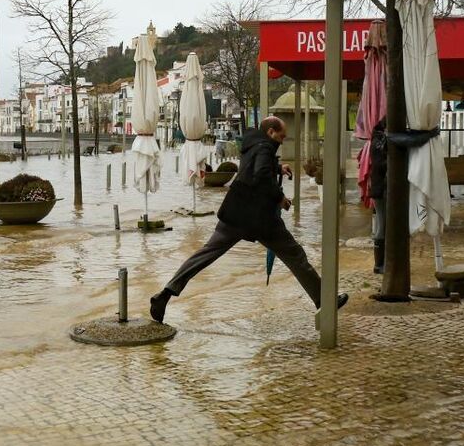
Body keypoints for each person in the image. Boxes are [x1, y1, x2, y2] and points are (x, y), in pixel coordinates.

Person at [149, 116, 348, 323]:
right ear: (271, 132)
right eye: (281, 136)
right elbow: (260, 174)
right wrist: (280, 198)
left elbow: (251, 169)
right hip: (260, 218)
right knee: (295, 255)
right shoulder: (265, 148)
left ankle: (165, 294)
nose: (282, 141)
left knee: (205, 255)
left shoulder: (252, 143)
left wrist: (277, 169)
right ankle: (324, 301)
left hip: (235, 211)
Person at [369, 117, 387, 274]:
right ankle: (379, 264)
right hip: (380, 189)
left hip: (379, 188)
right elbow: (381, 164)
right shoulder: (378, 141)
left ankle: (382, 262)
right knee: (381, 225)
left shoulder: (377, 139)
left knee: (382, 224)